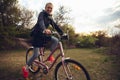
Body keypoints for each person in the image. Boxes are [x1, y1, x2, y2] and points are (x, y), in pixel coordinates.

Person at [22, 2, 64, 78]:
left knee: (55, 40)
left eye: (51, 8)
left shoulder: (50, 18)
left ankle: (50, 55)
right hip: (37, 36)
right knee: (36, 55)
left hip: (44, 35)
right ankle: (26, 67)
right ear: (45, 8)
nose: (49, 9)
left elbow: (56, 26)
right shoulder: (41, 14)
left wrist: (62, 33)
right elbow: (41, 22)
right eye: (48, 7)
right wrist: (44, 29)